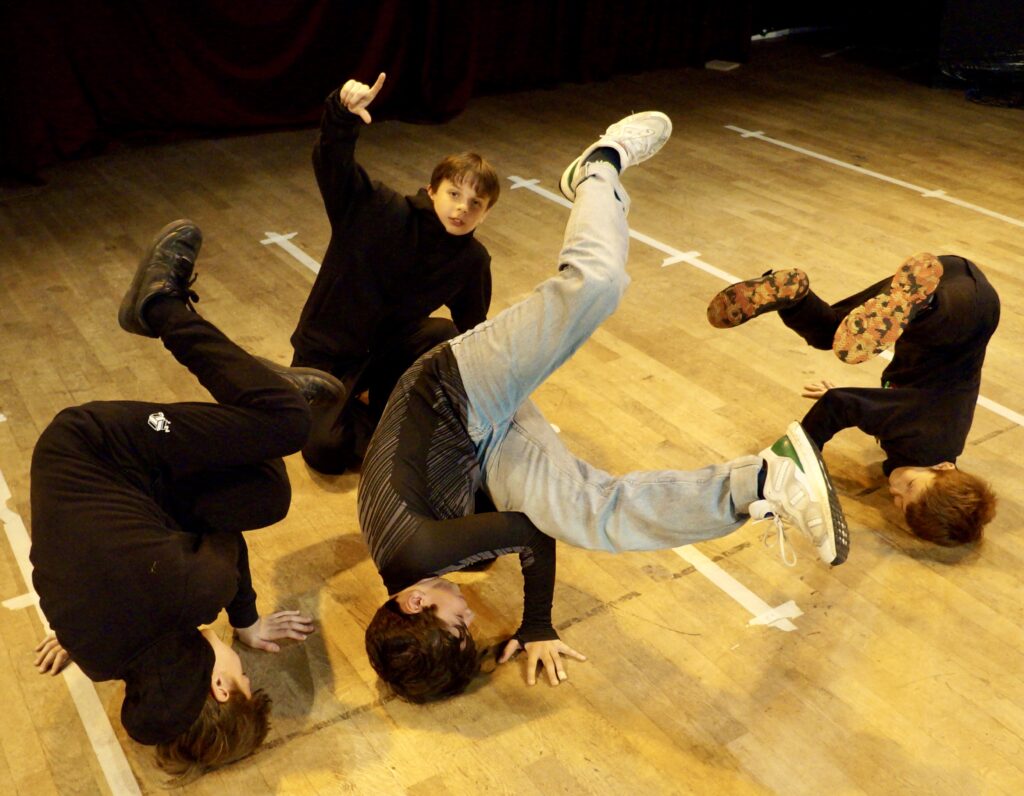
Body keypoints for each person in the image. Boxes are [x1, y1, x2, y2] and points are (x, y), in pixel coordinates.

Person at [357, 112, 849, 704]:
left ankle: (597, 167)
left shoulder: (420, 553)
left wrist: (536, 621)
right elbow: (520, 528)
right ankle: (764, 479)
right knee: (591, 513)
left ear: (413, 602)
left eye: (455, 620)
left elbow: (530, 537)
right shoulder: (413, 564)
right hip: (477, 445)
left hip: (455, 384)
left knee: (595, 284)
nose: (468, 613)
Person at [30, 220, 336, 779]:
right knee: (265, 493)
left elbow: (227, 540)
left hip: (96, 443)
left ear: (220, 688)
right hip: (123, 497)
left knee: (287, 425)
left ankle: (160, 307)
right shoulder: (96, 658)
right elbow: (73, 586)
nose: (242, 669)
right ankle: (255, 391)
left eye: (241, 677)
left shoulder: (196, 593)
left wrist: (244, 621)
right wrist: (69, 633)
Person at [706, 252, 999, 545]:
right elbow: (838, 405)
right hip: (964, 312)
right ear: (944, 468)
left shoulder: (931, 448)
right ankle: (925, 306)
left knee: (835, 332)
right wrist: (797, 462)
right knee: (937, 322)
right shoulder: (924, 440)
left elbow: (892, 408)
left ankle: (792, 297)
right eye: (909, 485)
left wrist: (864, 400)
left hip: (952, 275)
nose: (895, 486)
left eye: (898, 500)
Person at [290, 72, 500, 474]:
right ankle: (402, 431)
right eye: (454, 194)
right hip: (328, 352)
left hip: (384, 353)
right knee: (324, 450)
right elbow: (332, 162)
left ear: (486, 213)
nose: (462, 209)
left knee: (441, 334)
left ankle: (390, 411)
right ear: (432, 190)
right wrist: (341, 113)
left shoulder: (472, 259)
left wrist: (498, 394)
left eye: (476, 203)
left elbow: (474, 329)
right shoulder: (379, 211)